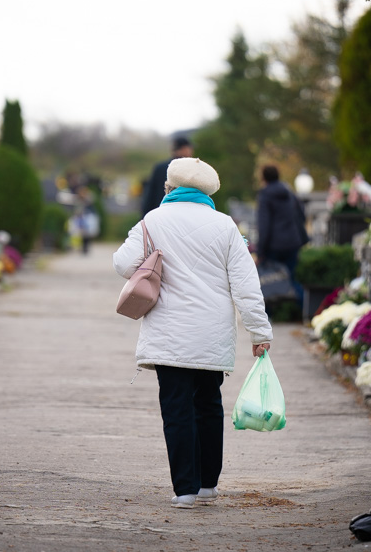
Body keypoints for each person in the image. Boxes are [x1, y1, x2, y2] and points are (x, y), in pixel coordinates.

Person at [113, 157, 273, 509]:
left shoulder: (153, 220)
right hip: (212, 334)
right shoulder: (226, 225)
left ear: (170, 188)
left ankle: (184, 489)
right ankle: (207, 485)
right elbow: (246, 285)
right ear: (206, 191)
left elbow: (122, 263)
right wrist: (259, 332)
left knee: (177, 409)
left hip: (169, 334)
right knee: (208, 404)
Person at [255, 165, 310, 303]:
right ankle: (305, 311)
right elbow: (301, 216)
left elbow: (264, 225)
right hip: (292, 243)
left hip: (273, 246)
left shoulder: (265, 196)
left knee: (270, 280)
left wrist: (260, 250)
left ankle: (271, 315)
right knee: (292, 279)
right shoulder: (289, 193)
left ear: (264, 178)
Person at [141, 136, 194, 216]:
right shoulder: (190, 169)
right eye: (188, 148)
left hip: (159, 214)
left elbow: (149, 196)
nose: (190, 152)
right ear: (182, 149)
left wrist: (145, 218)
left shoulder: (160, 167)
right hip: (180, 215)